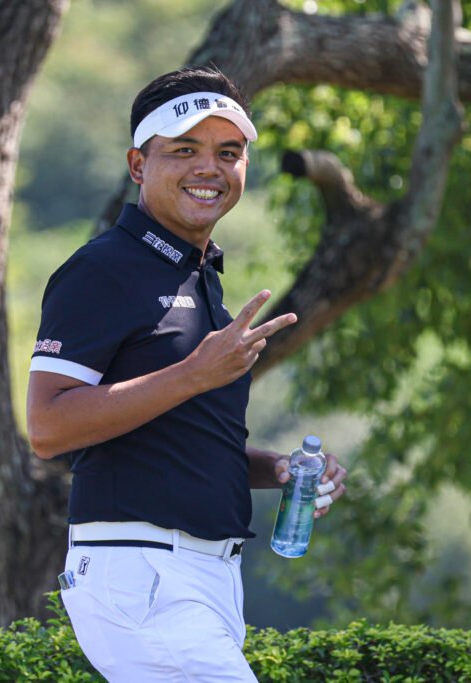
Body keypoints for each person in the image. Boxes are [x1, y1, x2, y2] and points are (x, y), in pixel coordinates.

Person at [27, 66, 349, 682]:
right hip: (140, 570)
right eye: (184, 150)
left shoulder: (200, 281)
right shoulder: (103, 270)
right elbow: (47, 426)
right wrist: (195, 374)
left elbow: (180, 435)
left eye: (228, 153)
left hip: (206, 577)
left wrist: (277, 468)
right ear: (138, 164)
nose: (211, 168)